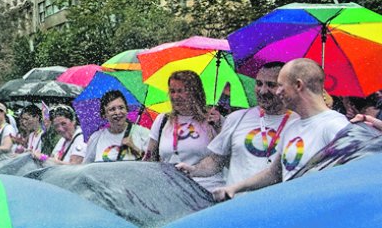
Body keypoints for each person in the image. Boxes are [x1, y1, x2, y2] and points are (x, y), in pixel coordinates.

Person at [214, 58, 349, 200]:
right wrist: (234, 188)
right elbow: (274, 173)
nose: (277, 92)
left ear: (298, 85)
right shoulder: (292, 127)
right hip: (289, 212)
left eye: (279, 86)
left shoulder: (333, 125)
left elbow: (357, 171)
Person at [177, 62, 290, 189]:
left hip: (279, 204)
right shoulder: (237, 118)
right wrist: (193, 170)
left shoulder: (298, 122)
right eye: (259, 84)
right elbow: (216, 161)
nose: (263, 91)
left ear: (285, 87)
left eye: (271, 85)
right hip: (237, 203)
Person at [144, 70, 223, 191]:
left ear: (194, 93)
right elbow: (149, 158)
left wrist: (219, 127)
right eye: (172, 91)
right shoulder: (162, 120)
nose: (176, 96)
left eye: (181, 91)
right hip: (172, 192)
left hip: (207, 189)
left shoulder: (213, 119)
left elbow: (224, 157)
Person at [84, 91, 149, 163]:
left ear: (127, 110)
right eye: (112, 109)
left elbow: (151, 163)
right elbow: (87, 168)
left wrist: (134, 148)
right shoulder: (96, 138)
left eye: (121, 108)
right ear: (104, 115)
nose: (117, 112)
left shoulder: (143, 134)